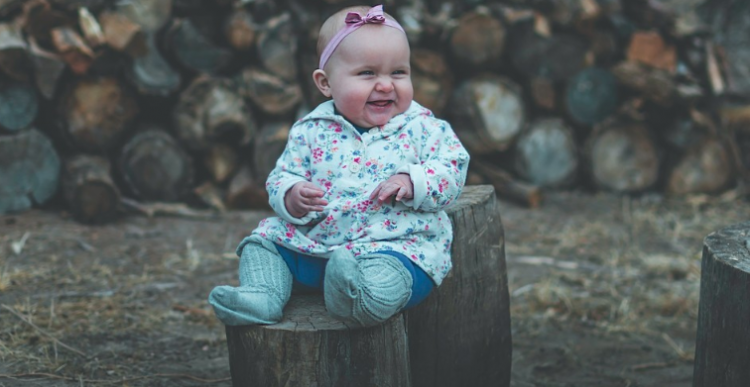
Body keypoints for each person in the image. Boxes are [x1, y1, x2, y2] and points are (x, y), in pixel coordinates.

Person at [209, 4, 470, 327]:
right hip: (319, 244)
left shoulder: (423, 127)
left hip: (394, 247)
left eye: (398, 72)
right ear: (325, 83)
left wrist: (414, 180)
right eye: (367, 73)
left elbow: (453, 166)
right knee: (264, 242)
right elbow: (281, 176)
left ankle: (362, 299)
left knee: (393, 274)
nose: (387, 85)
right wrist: (292, 194)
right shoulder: (310, 130)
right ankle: (262, 294)